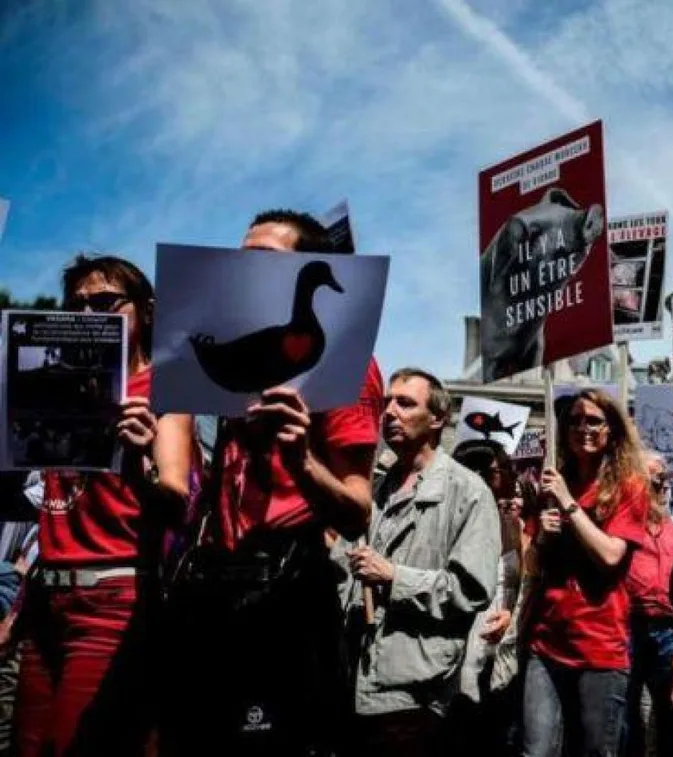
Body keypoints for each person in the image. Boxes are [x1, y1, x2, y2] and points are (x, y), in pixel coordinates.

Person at [163, 210, 384, 757]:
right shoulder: (246, 355)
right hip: (217, 587)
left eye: (262, 258)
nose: (243, 268)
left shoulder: (345, 366)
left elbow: (357, 511)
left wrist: (302, 458)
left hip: (287, 588)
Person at [15, 255, 196, 757]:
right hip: (45, 598)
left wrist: (140, 460)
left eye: (106, 302)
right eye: (77, 306)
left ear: (146, 311)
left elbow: (176, 501)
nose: (90, 313)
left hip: (111, 601)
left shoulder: (164, 390)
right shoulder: (55, 390)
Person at [340, 368, 500, 755]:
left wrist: (394, 577)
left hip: (416, 688)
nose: (389, 412)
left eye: (405, 403)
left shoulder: (468, 492)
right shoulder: (375, 488)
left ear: (437, 418)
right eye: (386, 403)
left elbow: (470, 590)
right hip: (354, 678)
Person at [522, 389, 649, 757]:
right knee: (536, 751)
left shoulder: (629, 488)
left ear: (611, 430)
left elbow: (611, 556)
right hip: (547, 643)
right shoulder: (553, 483)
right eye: (574, 420)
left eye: (593, 420)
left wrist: (569, 504)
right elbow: (533, 564)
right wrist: (543, 537)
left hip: (599, 649)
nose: (582, 428)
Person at [451, 440, 524, 754]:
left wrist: (510, 613)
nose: (512, 476)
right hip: (465, 647)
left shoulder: (510, 523)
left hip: (501, 649)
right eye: (503, 469)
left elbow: (516, 580)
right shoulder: (456, 522)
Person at [623, 453, 673, 757]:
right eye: (652, 480)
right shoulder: (622, 526)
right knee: (625, 711)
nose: (660, 486)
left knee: (671, 709)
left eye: (662, 479)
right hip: (629, 625)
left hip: (667, 630)